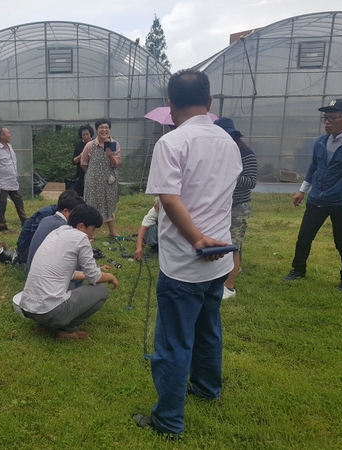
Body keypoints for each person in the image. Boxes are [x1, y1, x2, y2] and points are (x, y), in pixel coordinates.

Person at [133, 69, 241, 439]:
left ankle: (168, 420)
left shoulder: (172, 143)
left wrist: (195, 238)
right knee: (208, 328)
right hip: (220, 258)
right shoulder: (228, 141)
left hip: (185, 261)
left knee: (174, 342)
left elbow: (168, 198)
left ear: (171, 104)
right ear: (210, 102)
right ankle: (208, 388)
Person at [283, 98, 342, 291]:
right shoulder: (320, 142)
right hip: (317, 197)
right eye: (325, 118)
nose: (327, 122)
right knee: (304, 237)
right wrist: (302, 191)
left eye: (332, 118)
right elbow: (313, 167)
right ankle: (298, 270)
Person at [16, 204, 119, 339]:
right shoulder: (81, 238)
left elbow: (64, 273)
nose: (93, 234)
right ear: (81, 226)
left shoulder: (57, 232)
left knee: (69, 284)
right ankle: (67, 330)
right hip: (49, 311)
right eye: (93, 229)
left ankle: (43, 324)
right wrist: (110, 276)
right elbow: (95, 277)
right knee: (101, 290)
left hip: (28, 307)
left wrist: (87, 274)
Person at [213, 118, 258, 299]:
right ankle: (230, 271)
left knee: (233, 244)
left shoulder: (246, 153)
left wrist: (228, 176)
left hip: (238, 205)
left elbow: (251, 181)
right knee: (223, 241)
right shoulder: (217, 153)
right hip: (220, 204)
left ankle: (229, 287)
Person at [8, 189, 83, 266]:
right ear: (66, 209)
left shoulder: (58, 213)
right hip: (28, 249)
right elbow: (37, 238)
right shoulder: (47, 215)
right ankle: (17, 258)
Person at [25, 192, 85, 273]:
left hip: (31, 270)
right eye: (76, 214)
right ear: (65, 211)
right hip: (47, 276)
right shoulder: (65, 227)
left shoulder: (46, 219)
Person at [80, 119, 121, 237]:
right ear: (97, 130)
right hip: (93, 181)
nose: (104, 130)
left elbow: (116, 163)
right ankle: (90, 234)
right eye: (101, 128)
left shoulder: (115, 145)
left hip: (109, 180)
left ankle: (112, 232)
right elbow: (83, 163)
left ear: (109, 129)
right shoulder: (90, 145)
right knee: (92, 205)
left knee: (109, 204)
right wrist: (92, 175)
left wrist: (110, 155)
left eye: (106, 127)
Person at [0, 127, 28, 232]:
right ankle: (2, 225)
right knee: (2, 204)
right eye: (8, 133)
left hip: (12, 181)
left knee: (18, 200)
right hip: (2, 182)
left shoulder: (10, 147)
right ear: (2, 136)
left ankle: (24, 220)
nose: (10, 135)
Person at [72, 124, 94, 196]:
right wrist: (82, 155)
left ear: (91, 133)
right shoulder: (79, 145)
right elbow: (74, 161)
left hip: (94, 172)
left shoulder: (95, 144)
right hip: (81, 174)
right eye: (83, 135)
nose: (86, 136)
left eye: (87, 134)